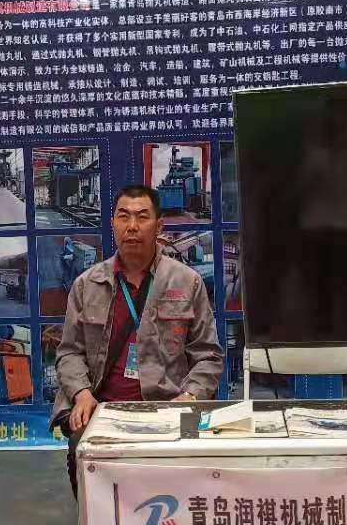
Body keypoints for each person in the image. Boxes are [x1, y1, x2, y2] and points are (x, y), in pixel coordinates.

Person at [52, 184, 222, 495]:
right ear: (113, 224)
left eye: (142, 217)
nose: (132, 226)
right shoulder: (87, 285)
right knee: (81, 447)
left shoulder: (187, 282)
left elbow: (208, 354)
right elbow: (69, 352)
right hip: (104, 409)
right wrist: (82, 393)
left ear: (159, 226)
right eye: (124, 216)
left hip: (167, 407)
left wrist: (190, 396)